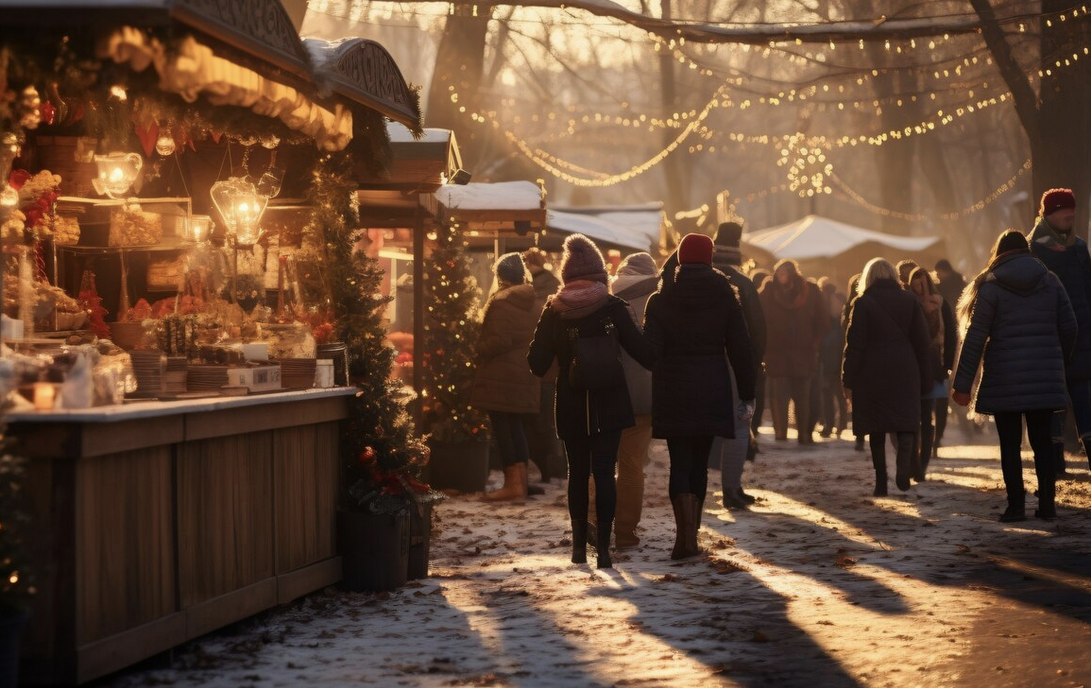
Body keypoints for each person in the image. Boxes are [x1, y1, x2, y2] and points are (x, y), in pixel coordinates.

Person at [527, 234, 655, 568]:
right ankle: (606, 550)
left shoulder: (553, 310)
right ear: (600, 274)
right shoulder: (614, 307)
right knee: (604, 470)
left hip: (570, 403)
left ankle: (579, 547)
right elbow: (645, 354)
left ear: (566, 276)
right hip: (610, 402)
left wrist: (564, 356)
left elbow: (536, 363)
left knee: (578, 473)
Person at [644, 233, 755, 559]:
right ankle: (691, 535)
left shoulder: (661, 299)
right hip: (711, 387)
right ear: (709, 259)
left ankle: (684, 538)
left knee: (680, 461)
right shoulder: (725, 296)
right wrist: (747, 394)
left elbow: (650, 353)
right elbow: (741, 349)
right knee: (700, 466)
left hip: (673, 389)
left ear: (679, 259)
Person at [953, 230, 1077, 521]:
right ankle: (1047, 504)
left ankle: (1016, 506)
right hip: (1044, 377)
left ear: (999, 253)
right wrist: (1059, 361)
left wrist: (962, 385)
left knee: (1010, 445)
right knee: (1043, 443)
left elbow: (974, 338)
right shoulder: (1051, 281)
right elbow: (1070, 327)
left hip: (1004, 377)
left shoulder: (991, 287)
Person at [842, 258, 930, 496]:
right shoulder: (910, 300)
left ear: (867, 277)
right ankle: (903, 469)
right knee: (905, 421)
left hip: (872, 371)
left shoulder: (863, 302)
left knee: (877, 427)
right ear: (894, 276)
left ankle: (881, 482)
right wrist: (926, 375)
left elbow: (855, 345)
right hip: (905, 368)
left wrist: (847, 379)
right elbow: (922, 342)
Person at [1028, 188, 1091, 478]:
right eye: (1065, 209)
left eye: (1072, 209)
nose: (1071, 214)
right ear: (1049, 213)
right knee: (1053, 402)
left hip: (1082, 337)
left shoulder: (1078, 247)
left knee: (1084, 399)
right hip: (1049, 338)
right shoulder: (1032, 248)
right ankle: (1055, 466)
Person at [471, 253, 542, 502]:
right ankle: (520, 483)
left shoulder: (501, 302)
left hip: (501, 375)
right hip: (525, 374)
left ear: (500, 276)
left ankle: (513, 485)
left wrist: (477, 347)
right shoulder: (534, 302)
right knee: (516, 428)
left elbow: (498, 340)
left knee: (504, 429)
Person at [601, 251, 659, 548]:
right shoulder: (658, 301)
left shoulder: (607, 299)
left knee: (601, 464)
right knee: (632, 463)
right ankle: (625, 531)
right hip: (647, 395)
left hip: (610, 392)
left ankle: (595, 525)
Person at [710, 221, 766, 509]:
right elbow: (758, 329)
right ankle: (731, 487)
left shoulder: (692, 279)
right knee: (739, 428)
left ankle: (697, 492)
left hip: (699, 366)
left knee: (702, 429)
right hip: (735, 366)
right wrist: (754, 365)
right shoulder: (743, 284)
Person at [759, 259, 829, 444]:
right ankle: (781, 434)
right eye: (779, 272)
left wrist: (814, 344)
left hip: (802, 352)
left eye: (784, 272)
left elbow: (822, 322)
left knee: (802, 397)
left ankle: (803, 434)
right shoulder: (769, 292)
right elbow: (759, 320)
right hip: (777, 353)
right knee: (779, 396)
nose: (781, 276)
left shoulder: (810, 291)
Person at [522, 247, 563, 490]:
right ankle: (552, 468)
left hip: (542, 368)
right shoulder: (552, 285)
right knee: (545, 421)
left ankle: (549, 469)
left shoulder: (535, 293)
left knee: (541, 422)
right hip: (549, 367)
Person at [907, 266, 948, 478]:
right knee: (913, 417)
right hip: (910, 363)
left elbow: (948, 331)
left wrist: (947, 363)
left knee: (926, 415)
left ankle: (922, 464)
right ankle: (914, 462)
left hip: (933, 364)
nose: (919, 285)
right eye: (916, 281)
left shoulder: (939, 302)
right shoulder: (906, 302)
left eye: (922, 281)